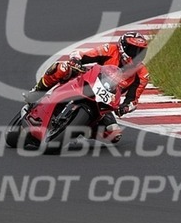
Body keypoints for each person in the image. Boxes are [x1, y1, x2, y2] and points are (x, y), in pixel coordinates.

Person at [22, 31, 150, 144]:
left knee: (114, 134)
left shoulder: (142, 74)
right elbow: (81, 55)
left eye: (141, 52)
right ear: (123, 47)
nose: (137, 55)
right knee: (62, 68)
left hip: (105, 100)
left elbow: (133, 100)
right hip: (87, 80)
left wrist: (125, 107)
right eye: (134, 50)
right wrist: (76, 60)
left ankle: (79, 130)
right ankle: (36, 92)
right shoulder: (110, 50)